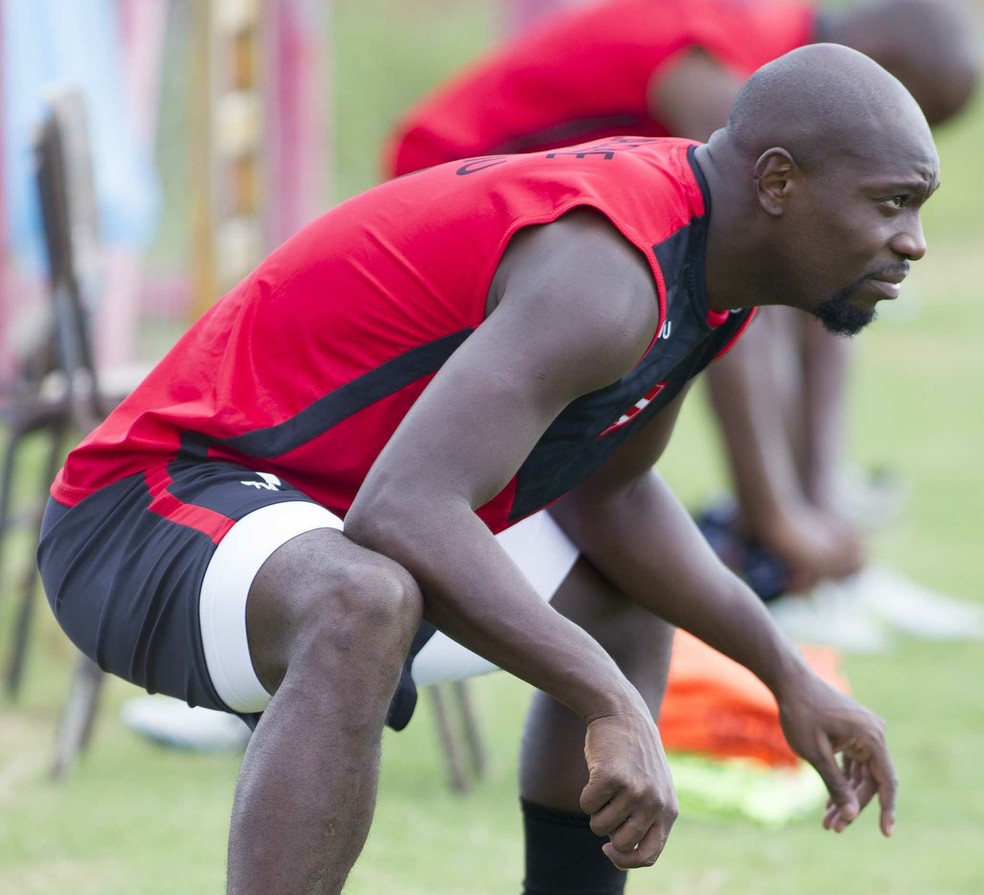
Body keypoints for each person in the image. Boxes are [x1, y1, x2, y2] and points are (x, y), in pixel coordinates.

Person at [37, 44, 932, 895]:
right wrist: (609, 699)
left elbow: (612, 500)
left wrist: (787, 674)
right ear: (779, 181)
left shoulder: (708, 260)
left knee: (619, 594)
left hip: (310, 520)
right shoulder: (609, 271)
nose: (913, 240)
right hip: (142, 507)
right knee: (363, 597)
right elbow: (404, 508)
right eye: (891, 202)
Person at [385, 0, 981, 604]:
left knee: (819, 266)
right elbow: (732, 277)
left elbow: (819, 294)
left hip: (576, 217)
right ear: (883, 70)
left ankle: (793, 540)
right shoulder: (722, 57)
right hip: (456, 194)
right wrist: (782, 522)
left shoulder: (778, 45)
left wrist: (821, 499)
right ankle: (764, 546)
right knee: (704, 306)